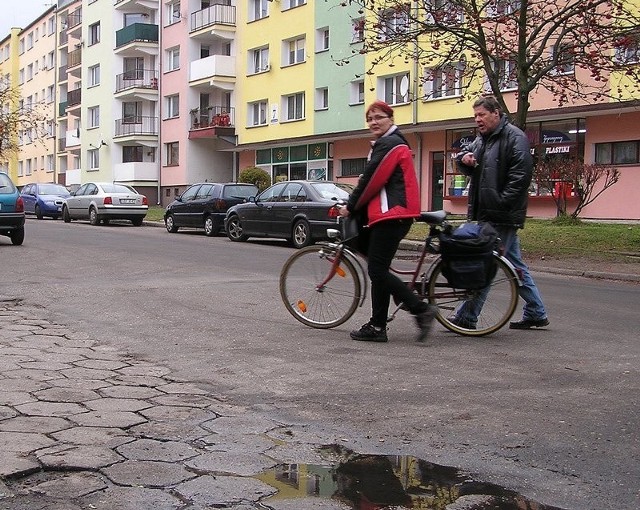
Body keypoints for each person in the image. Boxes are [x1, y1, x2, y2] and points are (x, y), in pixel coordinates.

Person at [338, 100, 436, 343]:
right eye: (370, 119)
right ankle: (378, 326)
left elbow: (372, 181)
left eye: (379, 117)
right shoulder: (388, 143)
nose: (374, 122)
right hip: (389, 214)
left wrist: (350, 207)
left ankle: (420, 310)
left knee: (377, 270)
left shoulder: (390, 143)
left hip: (392, 214)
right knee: (378, 269)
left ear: (390, 119)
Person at [454, 95, 549, 329]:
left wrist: (501, 203)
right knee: (514, 264)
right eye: (475, 115)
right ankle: (536, 312)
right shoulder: (483, 139)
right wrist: (463, 159)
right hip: (487, 213)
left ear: (496, 113)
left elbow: (520, 177)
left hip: (501, 214)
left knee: (488, 262)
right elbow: (467, 161)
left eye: (481, 115)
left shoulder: (514, 137)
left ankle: (467, 316)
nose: (477, 120)